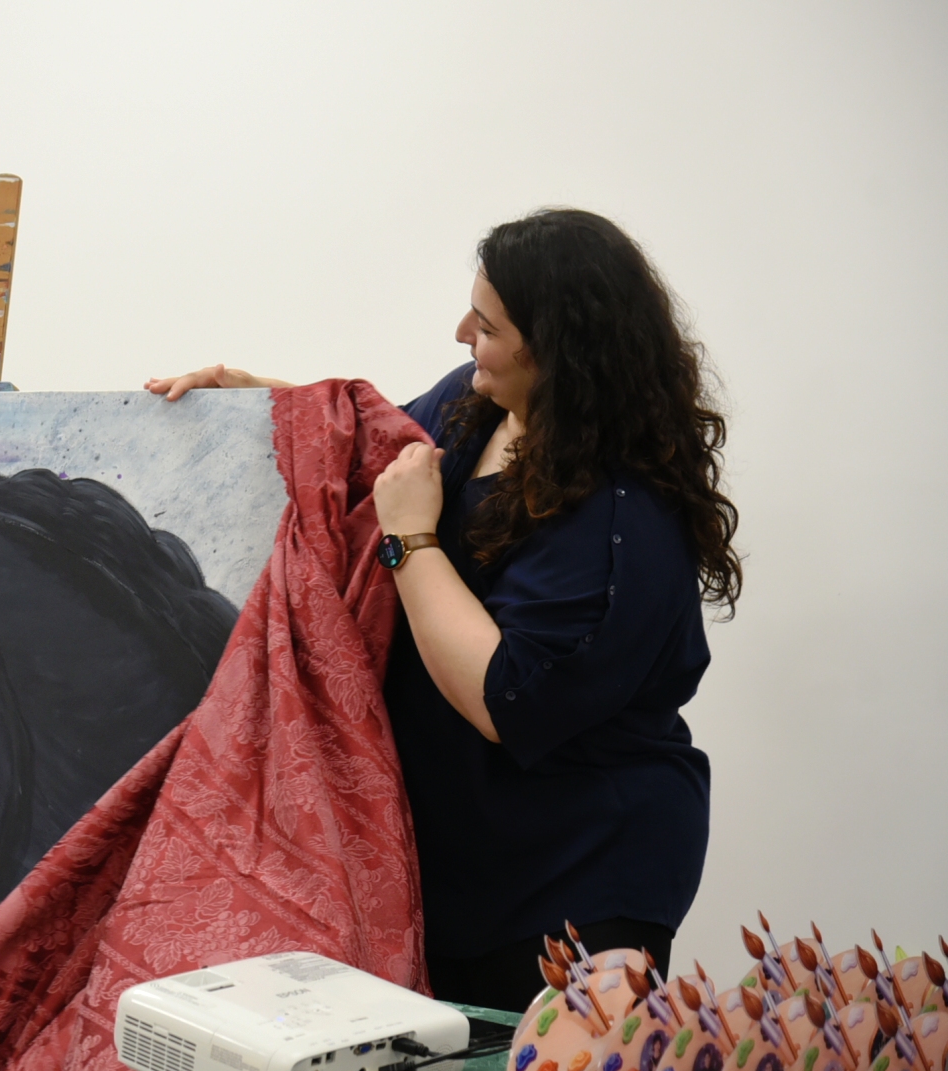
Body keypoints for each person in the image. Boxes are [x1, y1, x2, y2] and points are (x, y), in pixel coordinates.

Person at [146, 208, 739, 1011]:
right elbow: (378, 453)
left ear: (557, 350)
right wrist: (253, 399)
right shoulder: (480, 404)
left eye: (487, 326)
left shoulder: (616, 522)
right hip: (463, 861)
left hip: (578, 878)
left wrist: (410, 542)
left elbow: (505, 696)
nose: (462, 333)